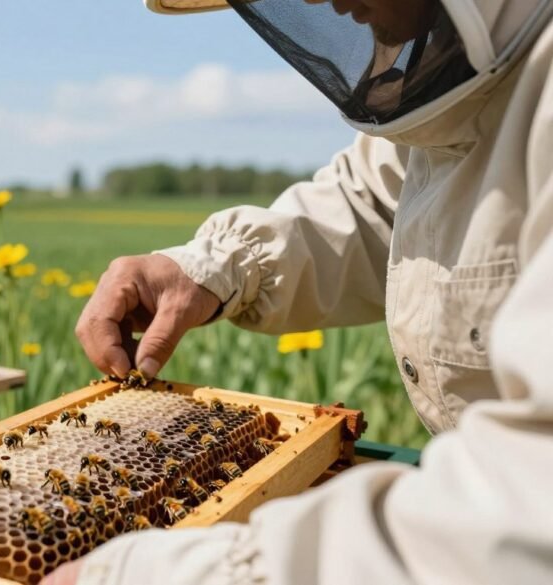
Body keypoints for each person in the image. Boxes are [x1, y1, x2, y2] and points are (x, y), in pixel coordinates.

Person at [45, 0, 553, 583]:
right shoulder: (468, 75)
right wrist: (211, 268)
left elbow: (531, 509)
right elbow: (379, 206)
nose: (317, 2)